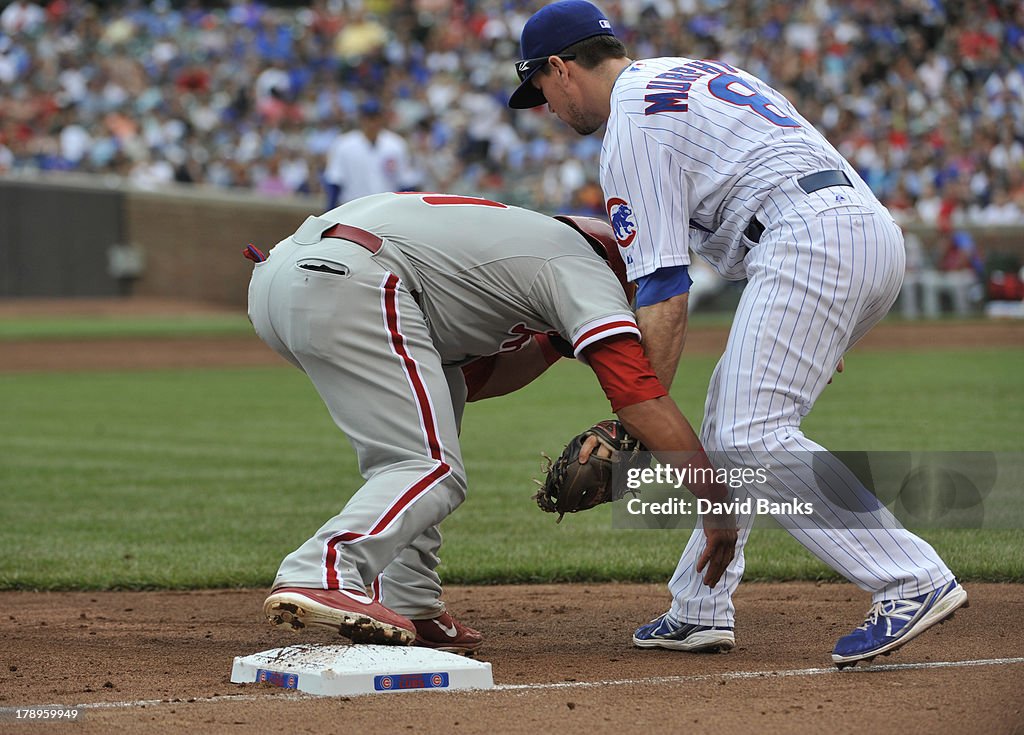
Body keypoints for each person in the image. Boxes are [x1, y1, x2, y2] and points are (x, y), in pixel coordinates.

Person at [509, 0, 966, 667]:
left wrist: (632, 422)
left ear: (560, 67)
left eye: (541, 89)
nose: (546, 105)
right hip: (857, 230)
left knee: (750, 432)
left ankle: (909, 577)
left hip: (806, 237)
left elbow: (664, 291)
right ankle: (699, 604)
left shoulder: (629, 126)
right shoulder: (687, 73)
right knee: (732, 423)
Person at [245, 191, 737, 654]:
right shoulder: (582, 265)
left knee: (430, 424)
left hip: (287, 280)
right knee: (429, 467)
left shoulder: (516, 246)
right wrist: (714, 501)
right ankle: (322, 570)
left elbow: (480, 380)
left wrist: (554, 343)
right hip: (354, 278)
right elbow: (637, 396)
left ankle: (409, 602)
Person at [322, 100, 419, 210]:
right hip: (353, 208)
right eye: (368, 118)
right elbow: (334, 181)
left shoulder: (395, 144)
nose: (372, 122)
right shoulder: (344, 144)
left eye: (375, 118)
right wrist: (330, 211)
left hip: (387, 209)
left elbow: (405, 182)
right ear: (361, 119)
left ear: (381, 118)